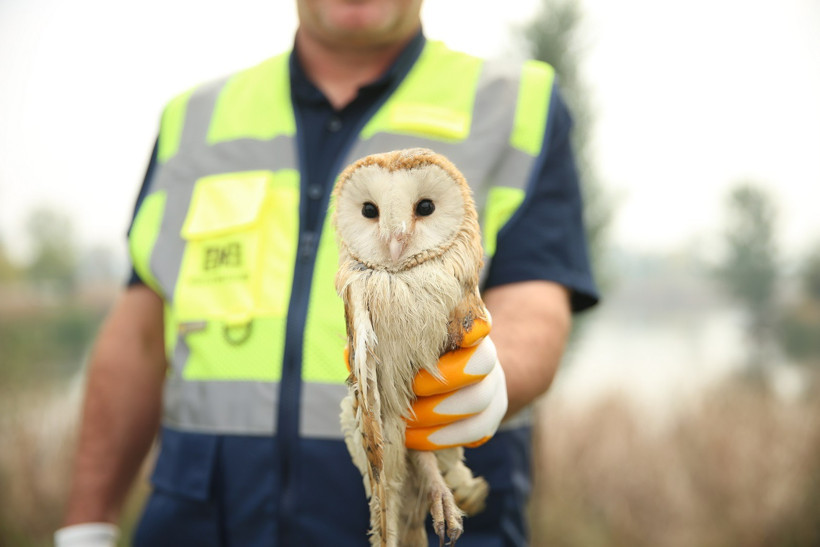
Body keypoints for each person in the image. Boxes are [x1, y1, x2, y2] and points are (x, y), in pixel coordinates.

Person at [56, 0, 598, 545]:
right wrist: (86, 524)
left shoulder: (514, 103)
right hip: (204, 519)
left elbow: (536, 306)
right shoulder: (194, 119)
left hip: (422, 515)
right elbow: (139, 334)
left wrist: (490, 379)